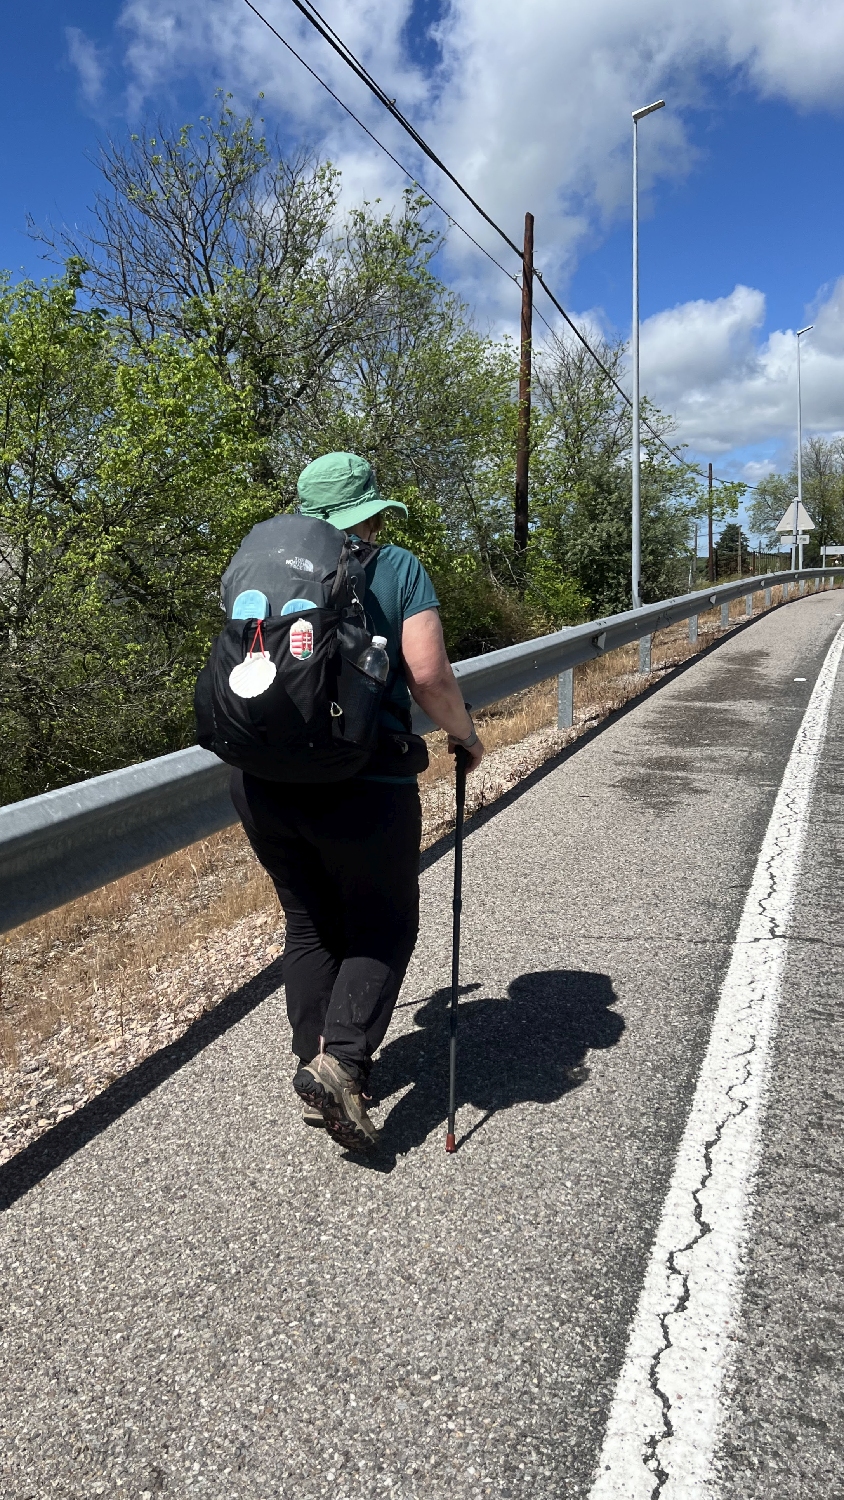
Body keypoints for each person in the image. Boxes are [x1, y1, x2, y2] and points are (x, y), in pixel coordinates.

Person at [230, 452, 484, 1151]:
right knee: (382, 924)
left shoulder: (262, 571)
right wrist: (466, 737)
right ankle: (341, 1062)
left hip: (262, 783)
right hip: (362, 782)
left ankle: (314, 1062)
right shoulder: (396, 567)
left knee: (310, 922)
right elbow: (428, 675)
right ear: (369, 511)